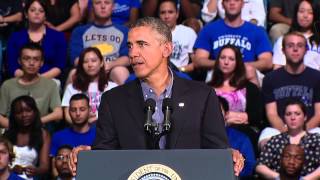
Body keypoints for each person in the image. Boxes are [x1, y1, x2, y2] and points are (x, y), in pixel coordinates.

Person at [69, 17, 244, 176]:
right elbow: (105, 158)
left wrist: (228, 156)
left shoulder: (202, 95)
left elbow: (216, 152)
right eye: (130, 46)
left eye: (141, 44)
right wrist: (87, 156)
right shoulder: (113, 100)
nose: (133, 53)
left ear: (166, 49)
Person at [260, 31, 320, 146]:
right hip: (279, 129)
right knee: (265, 142)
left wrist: (302, 133)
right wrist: (286, 133)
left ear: (306, 50)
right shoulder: (270, 79)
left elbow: (318, 114)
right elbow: (271, 113)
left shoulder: (317, 78)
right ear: (283, 50)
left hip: (310, 129)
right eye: (290, 45)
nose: (295, 49)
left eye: (300, 46)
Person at [194, 0, 272, 86]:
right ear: (222, 4)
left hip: (247, 77)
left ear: (243, 4)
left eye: (236, 0)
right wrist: (222, 64)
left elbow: (267, 61)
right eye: (228, 0)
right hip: (218, 76)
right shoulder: (209, 29)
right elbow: (198, 60)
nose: (232, 3)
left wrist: (239, 66)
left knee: (252, 73)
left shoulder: (256, 31)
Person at [209, 44, 264, 152]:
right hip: (214, 132)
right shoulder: (207, 89)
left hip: (243, 131)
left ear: (237, 62)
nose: (226, 62)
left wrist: (240, 116)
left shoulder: (250, 88)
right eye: (223, 58)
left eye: (231, 59)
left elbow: (258, 116)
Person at [0, 43, 62, 130]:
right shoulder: (7, 85)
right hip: (13, 131)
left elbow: (58, 114)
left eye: (36, 59)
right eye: (26, 59)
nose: (31, 63)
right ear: (19, 61)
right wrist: (17, 128)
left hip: (38, 131)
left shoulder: (50, 84)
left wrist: (35, 123)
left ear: (41, 62)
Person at [69, 0, 130, 85]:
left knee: (121, 71)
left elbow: (127, 58)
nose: (103, 6)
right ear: (92, 6)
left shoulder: (124, 31)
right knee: (74, 73)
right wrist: (94, 67)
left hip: (112, 69)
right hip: (88, 69)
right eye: (98, 3)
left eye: (107, 3)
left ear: (113, 6)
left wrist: (109, 65)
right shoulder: (79, 31)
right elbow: (75, 59)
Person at [256, 99, 320, 179]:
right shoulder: (276, 140)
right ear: (284, 118)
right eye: (288, 114)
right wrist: (278, 177)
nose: (293, 117)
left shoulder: (315, 140)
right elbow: (260, 166)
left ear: (305, 117)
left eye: (297, 114)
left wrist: (306, 179)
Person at [6, 0, 67, 80]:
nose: (37, 13)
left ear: (45, 16)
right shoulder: (15, 37)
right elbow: (12, 65)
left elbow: (60, 65)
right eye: (32, 10)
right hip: (21, 79)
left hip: (49, 80)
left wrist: (39, 80)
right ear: (26, 14)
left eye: (41, 11)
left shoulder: (58, 36)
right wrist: (26, 78)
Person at [62, 47, 117, 124]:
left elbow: (117, 113)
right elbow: (67, 115)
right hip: (80, 130)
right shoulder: (72, 88)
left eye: (94, 61)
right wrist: (84, 124)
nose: (90, 65)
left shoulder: (113, 87)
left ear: (101, 63)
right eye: (85, 62)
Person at [4, 95, 51, 179]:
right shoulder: (7, 135)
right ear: (13, 116)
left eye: (28, 110)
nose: (24, 115)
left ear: (35, 112)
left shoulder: (43, 134)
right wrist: (11, 169)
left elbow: (44, 166)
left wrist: (35, 170)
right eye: (19, 112)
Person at [272, 0, 320, 70]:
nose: (305, 15)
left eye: (310, 12)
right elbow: (277, 69)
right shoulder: (283, 40)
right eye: (301, 11)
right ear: (296, 14)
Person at [218, 96, 256, 178]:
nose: (214, 115)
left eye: (218, 110)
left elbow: (250, 166)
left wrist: (235, 171)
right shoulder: (198, 136)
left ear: (226, 114)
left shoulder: (241, 139)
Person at [158, 0, 197, 73]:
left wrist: (180, 70)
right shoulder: (152, 34)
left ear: (177, 14)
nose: (166, 16)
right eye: (163, 13)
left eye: (170, 12)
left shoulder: (188, 32)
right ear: (158, 15)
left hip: (180, 74)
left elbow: (196, 63)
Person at [201, 0, 266, 27]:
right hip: (224, 28)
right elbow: (207, 18)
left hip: (248, 27)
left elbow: (258, 17)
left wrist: (243, 28)